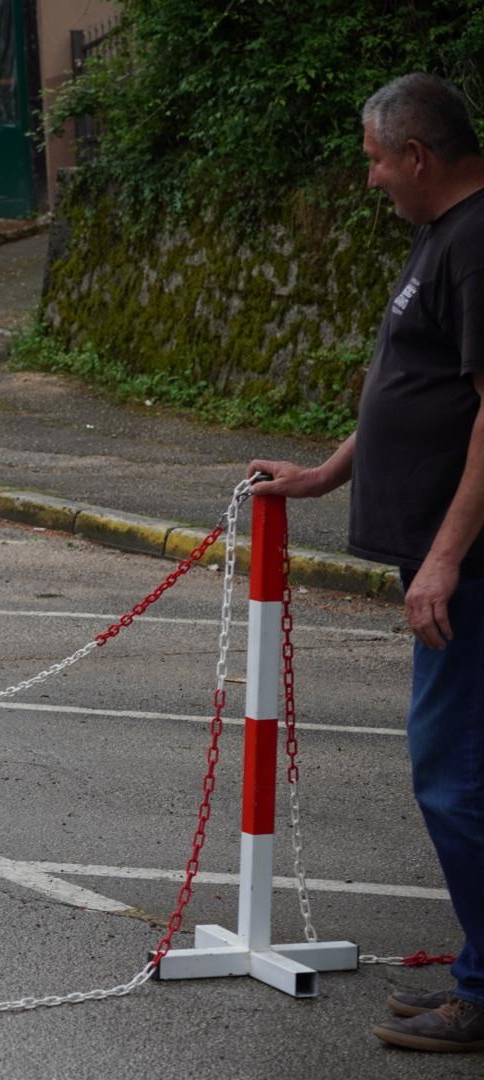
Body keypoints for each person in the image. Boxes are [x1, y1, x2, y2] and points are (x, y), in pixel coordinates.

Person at [250, 72, 484, 1053]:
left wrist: (443, 558)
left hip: (466, 567)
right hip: (443, 559)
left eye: (375, 160)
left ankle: (482, 993)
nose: (370, 178)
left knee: (451, 774)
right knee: (458, 769)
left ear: (417, 156)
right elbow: (410, 386)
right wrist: (323, 475)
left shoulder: (475, 242)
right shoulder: (441, 237)